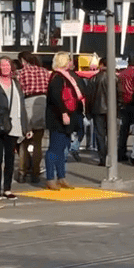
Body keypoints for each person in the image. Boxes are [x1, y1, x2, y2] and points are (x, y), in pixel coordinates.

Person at [44, 52, 83, 190]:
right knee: (54, 149)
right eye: (68, 60)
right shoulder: (57, 78)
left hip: (67, 116)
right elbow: (56, 97)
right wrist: (64, 112)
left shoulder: (66, 77)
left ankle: (61, 177)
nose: (70, 62)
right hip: (58, 118)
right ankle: (50, 178)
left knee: (62, 149)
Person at [0, 58, 20, 202]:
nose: (6, 67)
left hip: (13, 125)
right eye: (3, 65)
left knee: (10, 158)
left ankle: (7, 189)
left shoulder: (16, 84)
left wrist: (25, 126)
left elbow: (22, 106)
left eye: (8, 65)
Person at [15, 57, 45, 188]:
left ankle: (22, 172)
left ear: (23, 60)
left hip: (27, 103)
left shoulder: (21, 73)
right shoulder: (44, 72)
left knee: (23, 142)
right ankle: (35, 173)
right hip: (42, 102)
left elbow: (17, 91)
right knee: (38, 142)